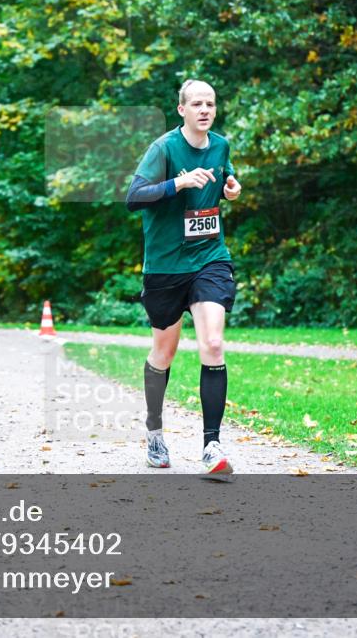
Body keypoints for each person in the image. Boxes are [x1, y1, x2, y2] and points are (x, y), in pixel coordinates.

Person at [125, 78, 242, 478]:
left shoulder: (221, 145)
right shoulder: (163, 149)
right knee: (164, 352)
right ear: (182, 110)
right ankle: (155, 433)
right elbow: (133, 197)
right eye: (197, 104)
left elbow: (225, 178)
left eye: (210, 103)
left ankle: (212, 445)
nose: (204, 110)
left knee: (213, 343)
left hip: (210, 258)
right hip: (165, 265)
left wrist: (230, 188)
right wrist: (180, 182)